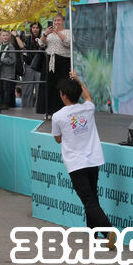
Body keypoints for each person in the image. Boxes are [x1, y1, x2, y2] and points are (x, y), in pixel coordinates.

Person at [51, 73, 115, 249]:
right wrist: (78, 80)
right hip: (93, 159)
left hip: (75, 163)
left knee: (88, 199)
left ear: (63, 94)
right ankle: (94, 232)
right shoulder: (88, 108)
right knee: (92, 196)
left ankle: (109, 232)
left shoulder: (58, 116)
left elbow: (57, 139)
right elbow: (88, 96)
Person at [38, 13, 73, 118]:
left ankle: (61, 111)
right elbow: (41, 43)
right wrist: (45, 34)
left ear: (63, 21)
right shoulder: (48, 33)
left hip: (63, 62)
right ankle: (48, 111)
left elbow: (68, 43)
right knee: (48, 86)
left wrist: (58, 33)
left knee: (61, 87)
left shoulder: (68, 32)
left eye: (59, 20)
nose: (56, 22)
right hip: (49, 62)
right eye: (55, 20)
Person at [22, 22, 43, 109]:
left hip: (39, 67)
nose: (35, 29)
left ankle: (39, 108)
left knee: (40, 89)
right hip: (29, 65)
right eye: (33, 27)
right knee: (27, 88)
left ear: (40, 29)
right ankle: (27, 108)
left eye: (37, 27)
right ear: (31, 29)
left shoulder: (43, 38)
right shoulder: (27, 38)